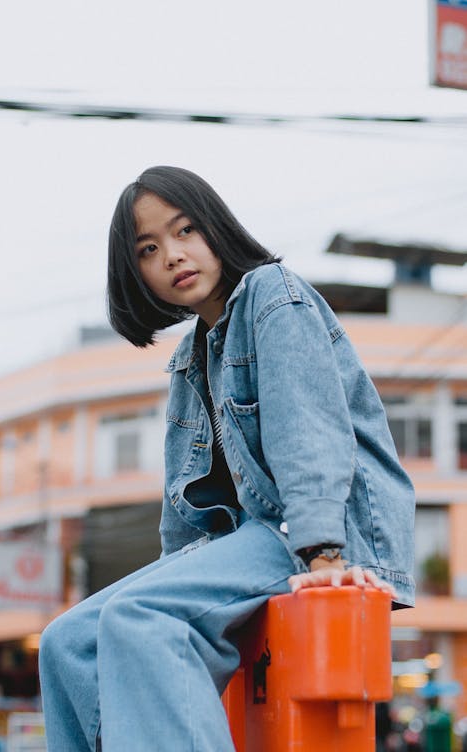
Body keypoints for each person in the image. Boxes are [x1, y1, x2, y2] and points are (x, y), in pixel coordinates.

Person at [38, 165, 416, 751]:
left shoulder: (274, 295)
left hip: (312, 532)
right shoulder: (190, 357)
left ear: (216, 227)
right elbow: (182, 514)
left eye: (186, 230)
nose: (173, 255)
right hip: (245, 544)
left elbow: (308, 427)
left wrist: (322, 554)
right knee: (69, 642)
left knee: (142, 617)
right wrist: (176, 576)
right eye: (149, 248)